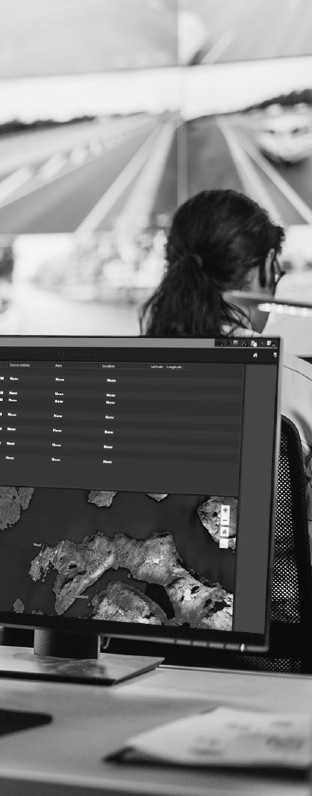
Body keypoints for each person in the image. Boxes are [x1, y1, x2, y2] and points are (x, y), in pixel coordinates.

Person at [141, 188, 312, 619]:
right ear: (267, 269)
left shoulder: (113, 381)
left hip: (146, 644)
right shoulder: (295, 385)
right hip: (275, 647)